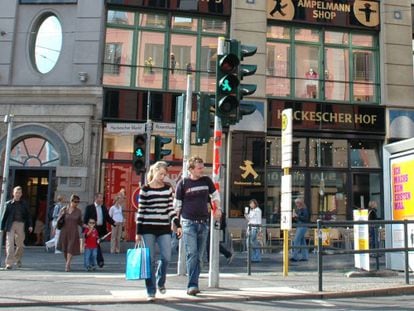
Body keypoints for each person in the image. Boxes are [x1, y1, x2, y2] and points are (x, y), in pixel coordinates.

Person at [174, 156, 222, 296]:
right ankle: (192, 285)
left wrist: (217, 208)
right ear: (191, 169)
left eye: (203, 167)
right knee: (192, 253)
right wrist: (176, 224)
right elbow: (177, 205)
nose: (202, 170)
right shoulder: (183, 184)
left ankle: (194, 282)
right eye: (199, 168)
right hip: (188, 223)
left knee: (199, 257)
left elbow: (215, 195)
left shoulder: (206, 181)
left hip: (203, 223)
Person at [136, 161, 182, 302]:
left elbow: (170, 209)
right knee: (150, 260)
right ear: (154, 172)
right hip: (148, 228)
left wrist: (177, 224)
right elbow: (141, 211)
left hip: (163, 228)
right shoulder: (145, 189)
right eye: (161, 174)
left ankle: (160, 281)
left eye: (164, 174)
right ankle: (151, 290)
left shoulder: (167, 189)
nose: (163, 177)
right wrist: (138, 232)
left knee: (167, 257)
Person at [1, 186, 33, 269]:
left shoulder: (24, 204)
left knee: (20, 245)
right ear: (13, 193)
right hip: (10, 225)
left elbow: (29, 215)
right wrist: (1, 227)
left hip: (21, 224)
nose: (17, 194)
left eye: (19, 193)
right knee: (10, 244)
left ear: (21, 194)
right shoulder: (8, 204)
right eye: (16, 193)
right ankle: (9, 263)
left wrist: (30, 225)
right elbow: (4, 216)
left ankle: (17, 258)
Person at [57, 194, 84, 272]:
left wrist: (85, 226)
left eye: (78, 202)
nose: (76, 203)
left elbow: (80, 222)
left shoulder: (78, 211)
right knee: (65, 249)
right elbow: (59, 219)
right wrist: (61, 214)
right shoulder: (64, 209)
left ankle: (67, 264)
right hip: (64, 231)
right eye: (75, 201)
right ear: (71, 201)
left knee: (70, 248)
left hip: (74, 232)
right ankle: (67, 262)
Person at [291, 197, 310, 262]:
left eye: (297, 202)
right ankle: (305, 257)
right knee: (302, 242)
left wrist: (297, 216)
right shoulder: (299, 209)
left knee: (296, 240)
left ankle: (295, 257)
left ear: (301, 203)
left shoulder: (304, 209)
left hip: (302, 226)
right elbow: (299, 219)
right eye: (296, 203)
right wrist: (294, 218)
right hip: (300, 226)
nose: (296, 204)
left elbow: (305, 218)